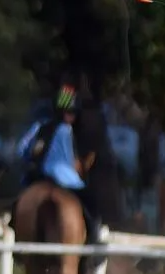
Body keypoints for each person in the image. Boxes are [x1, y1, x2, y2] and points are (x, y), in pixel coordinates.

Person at [16, 85, 101, 246]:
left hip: (39, 174)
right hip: (63, 176)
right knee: (92, 203)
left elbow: (21, 151)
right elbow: (69, 160)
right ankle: (94, 240)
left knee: (19, 200)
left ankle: (15, 233)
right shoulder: (66, 130)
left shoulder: (39, 126)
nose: (72, 116)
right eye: (71, 112)